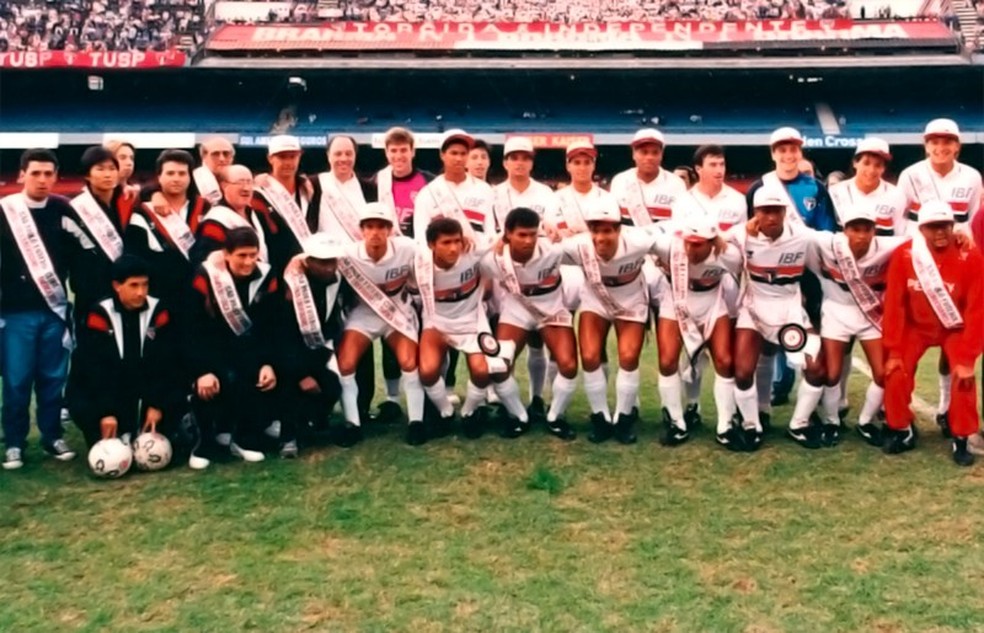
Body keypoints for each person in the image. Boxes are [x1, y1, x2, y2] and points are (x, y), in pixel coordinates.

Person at [897, 118, 982, 434]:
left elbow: (970, 222)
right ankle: (897, 415)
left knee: (953, 338)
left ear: (957, 145)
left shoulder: (972, 177)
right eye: (934, 141)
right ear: (926, 144)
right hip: (917, 265)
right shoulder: (911, 175)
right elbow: (898, 220)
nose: (941, 147)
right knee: (908, 344)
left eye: (947, 142)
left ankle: (946, 408)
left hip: (954, 267)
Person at [882, 201, 983, 466]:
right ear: (921, 228)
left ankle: (960, 437)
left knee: (964, 378)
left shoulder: (970, 256)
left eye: (945, 226)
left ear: (953, 227)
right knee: (895, 370)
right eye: (932, 227)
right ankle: (902, 429)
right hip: (916, 327)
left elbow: (977, 310)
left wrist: (968, 357)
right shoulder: (905, 255)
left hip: (955, 328)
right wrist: (893, 349)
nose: (940, 232)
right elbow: (895, 303)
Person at [558, 193, 662, 444]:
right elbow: (540, 252)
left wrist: (715, 241)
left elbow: (671, 238)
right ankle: (601, 417)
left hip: (631, 301)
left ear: (619, 229)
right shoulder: (577, 245)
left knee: (628, 356)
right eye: (594, 230)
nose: (600, 237)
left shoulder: (639, 240)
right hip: (595, 301)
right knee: (591, 356)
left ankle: (624, 418)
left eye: (607, 231)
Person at [745, 127, 836, 410]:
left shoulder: (816, 188)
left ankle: (812, 406)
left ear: (800, 151)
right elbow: (751, 234)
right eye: (782, 150)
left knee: (810, 339)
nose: (788, 155)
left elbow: (826, 233)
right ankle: (763, 407)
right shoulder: (758, 188)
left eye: (793, 149)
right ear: (773, 154)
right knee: (766, 344)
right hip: (768, 278)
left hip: (807, 274)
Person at [729, 186, 825, 452]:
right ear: (755, 213)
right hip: (753, 308)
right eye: (764, 211)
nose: (771, 217)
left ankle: (799, 424)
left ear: (785, 213)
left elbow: (834, 242)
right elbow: (710, 240)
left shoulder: (803, 237)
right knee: (742, 370)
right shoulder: (740, 236)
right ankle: (752, 424)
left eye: (776, 211)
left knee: (817, 369)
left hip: (790, 309)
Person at [415, 218, 527, 440]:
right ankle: (445, 412)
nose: (454, 248)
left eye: (457, 241)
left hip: (471, 321)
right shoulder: (417, 261)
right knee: (427, 371)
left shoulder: (473, 250)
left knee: (482, 370)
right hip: (437, 324)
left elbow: (505, 236)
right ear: (431, 245)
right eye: (446, 242)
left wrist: (547, 230)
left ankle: (469, 412)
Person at [808, 202, 909, 447]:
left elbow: (921, 237)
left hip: (869, 315)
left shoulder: (888, 246)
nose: (861, 235)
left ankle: (865, 421)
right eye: (855, 229)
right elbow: (796, 231)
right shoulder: (827, 243)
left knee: (882, 372)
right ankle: (832, 421)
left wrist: (960, 234)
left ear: (875, 230)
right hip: (835, 312)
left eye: (867, 229)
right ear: (844, 229)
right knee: (832, 374)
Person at [0, 149, 77, 469]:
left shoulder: (62, 208)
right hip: (15, 313)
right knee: (17, 380)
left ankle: (51, 436)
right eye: (36, 173)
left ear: (56, 177)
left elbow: (79, 252)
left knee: (52, 378)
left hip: (54, 310)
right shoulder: (5, 211)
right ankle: (15, 442)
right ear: (21, 175)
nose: (43, 180)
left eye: (49, 174)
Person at [66, 256, 185, 454]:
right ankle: (111, 431)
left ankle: (163, 429)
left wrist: (157, 404)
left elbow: (166, 363)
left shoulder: (159, 311)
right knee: (79, 390)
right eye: (133, 285)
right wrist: (105, 413)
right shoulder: (99, 314)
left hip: (147, 386)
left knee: (177, 379)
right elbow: (95, 369)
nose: (141, 292)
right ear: (116, 286)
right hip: (111, 389)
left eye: (145, 285)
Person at [185, 227, 282, 469]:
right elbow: (193, 327)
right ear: (226, 254)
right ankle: (205, 440)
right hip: (211, 348)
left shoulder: (267, 277)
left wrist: (268, 362)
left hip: (250, 350)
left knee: (259, 377)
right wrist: (202, 370)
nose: (248, 262)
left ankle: (243, 438)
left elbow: (271, 326)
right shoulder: (205, 276)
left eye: (253, 255)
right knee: (210, 382)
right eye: (241, 255)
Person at [825, 138, 908, 418]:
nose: (872, 169)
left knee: (881, 348)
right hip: (840, 283)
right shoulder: (836, 192)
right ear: (855, 162)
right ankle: (841, 398)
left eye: (878, 164)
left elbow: (899, 239)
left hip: (877, 284)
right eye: (867, 162)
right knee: (842, 344)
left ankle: (878, 409)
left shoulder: (895, 196)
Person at [482, 207, 578, 441]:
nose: (528, 241)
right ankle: (518, 416)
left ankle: (555, 416)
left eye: (532, 235)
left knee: (568, 365)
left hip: (551, 311)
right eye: (521, 235)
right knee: (497, 365)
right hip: (515, 313)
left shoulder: (554, 250)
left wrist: (571, 231)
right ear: (507, 234)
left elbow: (587, 247)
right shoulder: (493, 258)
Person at [334, 203, 426, 446]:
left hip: (398, 312)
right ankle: (352, 423)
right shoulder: (347, 252)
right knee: (345, 363)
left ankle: (416, 422)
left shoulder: (407, 247)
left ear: (390, 230)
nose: (375, 233)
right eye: (370, 227)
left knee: (409, 361)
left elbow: (434, 252)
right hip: (363, 314)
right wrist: (297, 262)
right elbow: (314, 255)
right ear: (361, 230)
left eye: (381, 227)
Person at [650, 210, 741, 448]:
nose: (691, 251)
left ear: (712, 242)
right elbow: (638, 238)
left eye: (698, 245)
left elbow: (749, 261)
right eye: (688, 244)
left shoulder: (728, 255)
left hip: (712, 303)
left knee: (724, 361)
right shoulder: (668, 246)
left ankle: (725, 426)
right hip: (675, 302)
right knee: (667, 361)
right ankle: (676, 422)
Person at [491, 136, 559, 418]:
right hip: (503, 272)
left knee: (537, 340)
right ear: (505, 162)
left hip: (537, 272)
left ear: (532, 162)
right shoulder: (493, 193)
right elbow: (488, 233)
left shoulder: (545, 193)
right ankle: (498, 396)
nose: (519, 163)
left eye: (525, 157)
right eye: (514, 157)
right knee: (502, 339)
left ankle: (537, 397)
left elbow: (553, 231)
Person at [373, 127, 433, 415]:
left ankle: (437, 390)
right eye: (393, 150)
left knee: (428, 327)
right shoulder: (376, 183)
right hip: (390, 264)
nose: (398, 155)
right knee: (391, 325)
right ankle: (392, 398)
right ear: (386, 153)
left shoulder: (429, 183)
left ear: (413, 151)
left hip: (421, 263)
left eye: (403, 149)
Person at [280, 234, 345, 457]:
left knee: (332, 386)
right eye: (322, 262)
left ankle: (311, 423)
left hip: (316, 352)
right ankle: (288, 436)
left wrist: (316, 366)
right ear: (308, 262)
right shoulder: (289, 288)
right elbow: (283, 337)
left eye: (332, 261)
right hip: (285, 356)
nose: (329, 268)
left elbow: (331, 326)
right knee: (292, 388)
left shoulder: (335, 280)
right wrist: (301, 374)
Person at [125, 149, 209, 307]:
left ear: (190, 177)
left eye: (182, 173)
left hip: (200, 295)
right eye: (170, 173)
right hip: (159, 297)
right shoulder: (142, 213)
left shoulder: (205, 209)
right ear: (159, 176)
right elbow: (136, 256)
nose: (176, 179)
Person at [64, 146, 132, 328]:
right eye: (100, 169)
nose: (107, 174)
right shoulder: (76, 209)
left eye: (112, 169)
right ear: (87, 175)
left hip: (125, 290)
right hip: (91, 293)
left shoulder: (128, 203)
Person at [251, 134, 317, 276]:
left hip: (309, 271)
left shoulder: (309, 190)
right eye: (282, 157)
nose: (288, 162)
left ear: (300, 157)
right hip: (275, 272)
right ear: (270, 159)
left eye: (292, 156)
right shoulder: (258, 195)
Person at [414, 129, 496, 242]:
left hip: (479, 257)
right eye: (454, 153)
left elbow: (490, 234)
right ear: (442, 155)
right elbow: (421, 238)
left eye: (463, 154)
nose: (458, 158)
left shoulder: (485, 190)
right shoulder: (427, 193)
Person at [191, 164, 271, 264]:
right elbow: (207, 262)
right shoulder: (215, 222)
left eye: (249, 182)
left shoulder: (256, 213)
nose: (246, 188)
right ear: (224, 185)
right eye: (239, 183)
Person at [609, 128, 688, 228]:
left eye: (655, 152)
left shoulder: (676, 184)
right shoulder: (620, 181)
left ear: (661, 155)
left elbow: (680, 225)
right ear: (634, 154)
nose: (649, 157)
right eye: (644, 152)